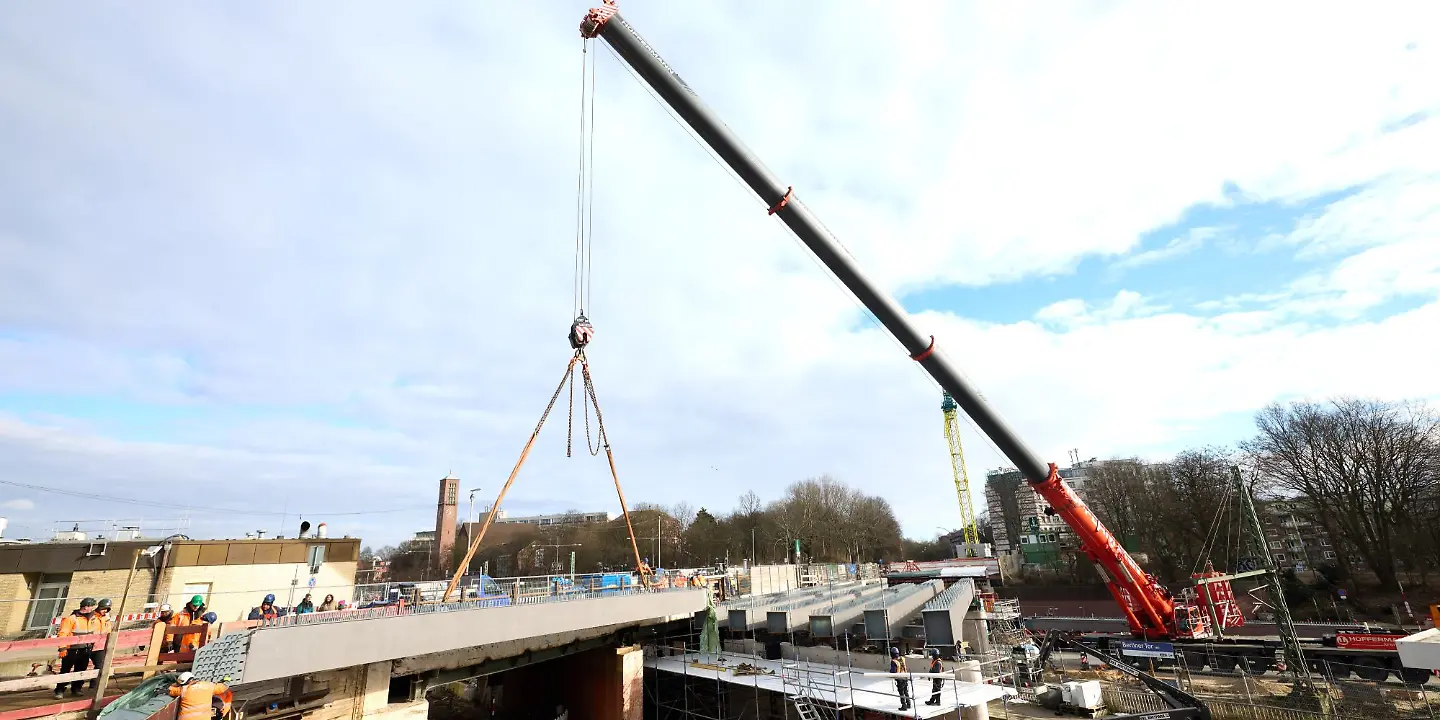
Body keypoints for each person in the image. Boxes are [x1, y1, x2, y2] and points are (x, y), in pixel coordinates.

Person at [54, 597, 103, 699]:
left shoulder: (93, 619)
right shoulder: (71, 619)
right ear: (86, 607)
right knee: (65, 670)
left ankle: (76, 689)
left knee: (81, 670)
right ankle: (59, 690)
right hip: (71, 649)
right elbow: (63, 634)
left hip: (85, 649)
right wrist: (62, 648)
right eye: (92, 607)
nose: (94, 609)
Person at [88, 599, 115, 690]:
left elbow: (108, 630)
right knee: (81, 667)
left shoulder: (106, 618)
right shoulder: (91, 616)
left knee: (100, 665)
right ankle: (76, 687)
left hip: (100, 645)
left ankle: (94, 685)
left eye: (107, 609)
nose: (105, 611)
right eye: (104, 609)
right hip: (89, 644)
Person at [889, 647, 911, 711]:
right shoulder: (902, 658)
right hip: (905, 677)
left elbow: (893, 671)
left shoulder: (894, 662)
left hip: (900, 679)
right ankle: (909, 704)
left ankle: (904, 706)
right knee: (906, 691)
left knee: (901, 693)